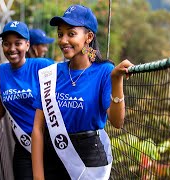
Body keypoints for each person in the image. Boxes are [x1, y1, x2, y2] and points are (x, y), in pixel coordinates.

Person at [31, 4, 133, 180]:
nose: (63, 40)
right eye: (60, 34)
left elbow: (117, 122)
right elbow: (38, 129)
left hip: (90, 160)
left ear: (89, 37)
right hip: (54, 158)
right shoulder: (52, 74)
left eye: (71, 34)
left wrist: (116, 80)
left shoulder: (104, 71)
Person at [0, 20, 53, 180]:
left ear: (27, 45)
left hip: (51, 144)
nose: (12, 49)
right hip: (24, 147)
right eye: (7, 44)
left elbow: (72, 73)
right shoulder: (0, 71)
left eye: (18, 43)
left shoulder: (42, 65)